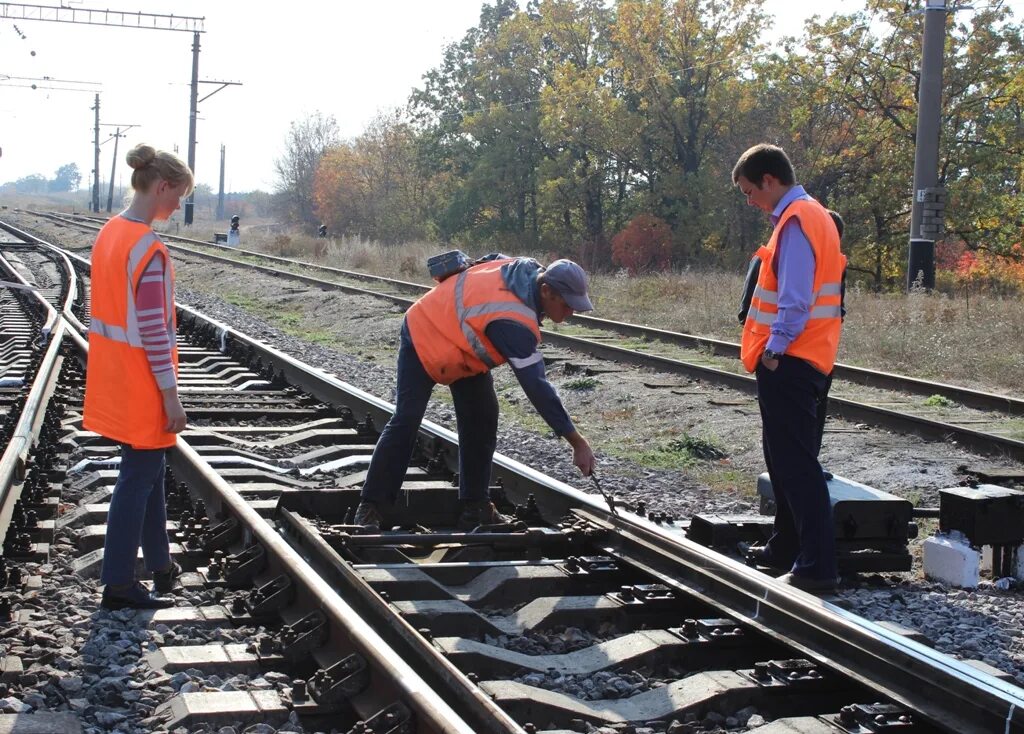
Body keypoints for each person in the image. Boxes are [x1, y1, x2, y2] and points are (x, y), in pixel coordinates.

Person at [352, 256, 598, 530]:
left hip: (462, 349)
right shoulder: (512, 322)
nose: (570, 313)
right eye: (567, 305)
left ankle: (475, 509)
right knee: (406, 419)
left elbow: (492, 258)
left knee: (482, 418)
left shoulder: (525, 266)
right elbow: (537, 388)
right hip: (424, 334)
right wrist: (577, 442)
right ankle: (370, 507)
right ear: (546, 290)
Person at [83, 143, 193, 610]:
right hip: (144, 382)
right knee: (137, 479)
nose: (179, 205)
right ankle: (120, 583)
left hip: (116, 378)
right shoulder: (147, 247)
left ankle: (161, 566)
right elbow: (152, 329)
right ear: (162, 186)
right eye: (179, 195)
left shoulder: (111, 232)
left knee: (148, 474)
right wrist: (171, 397)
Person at [732, 144, 846, 591]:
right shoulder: (812, 216)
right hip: (809, 356)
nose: (749, 200)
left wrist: (775, 348)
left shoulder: (797, 220)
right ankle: (786, 547)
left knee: (796, 463)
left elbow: (796, 298)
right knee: (784, 458)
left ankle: (818, 565)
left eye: (748, 190)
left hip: (793, 358)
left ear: (768, 180)